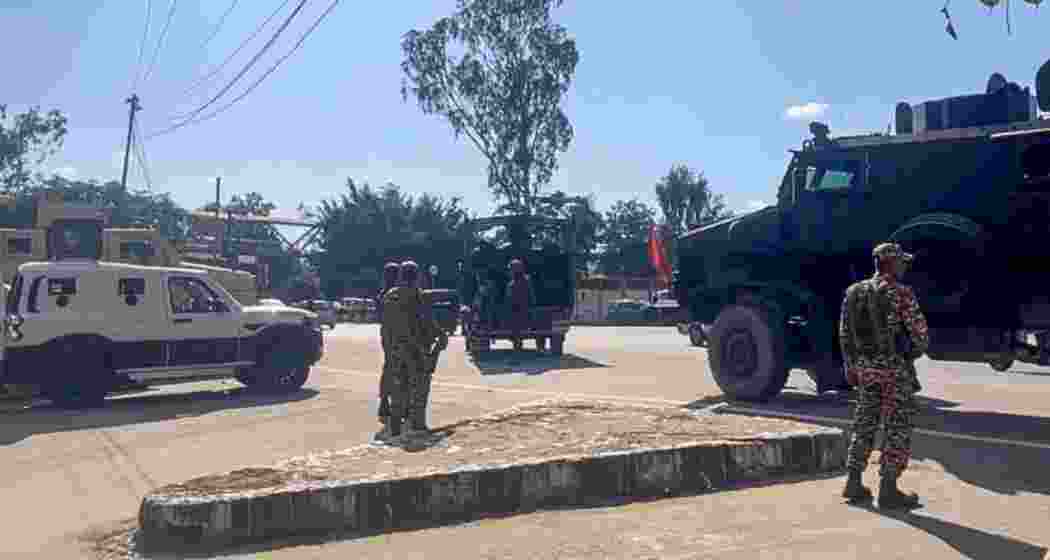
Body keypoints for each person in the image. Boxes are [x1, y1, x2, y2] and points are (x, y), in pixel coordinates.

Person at [839, 242, 929, 509]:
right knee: (897, 426)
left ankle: (853, 482)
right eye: (901, 262)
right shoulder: (901, 293)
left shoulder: (853, 292)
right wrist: (913, 350)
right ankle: (889, 490)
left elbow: (844, 334)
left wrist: (851, 366)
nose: (904, 266)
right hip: (894, 369)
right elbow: (921, 335)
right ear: (890, 263)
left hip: (864, 368)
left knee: (864, 422)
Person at [375, 261, 400, 432]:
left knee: (389, 366)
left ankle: (384, 402)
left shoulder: (382, 294)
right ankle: (397, 404)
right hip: (397, 332)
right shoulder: (395, 293)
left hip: (386, 332)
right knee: (399, 366)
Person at [506, 258, 533, 351]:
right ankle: (517, 342)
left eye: (511, 269)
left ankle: (517, 342)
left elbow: (510, 298)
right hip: (522, 310)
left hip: (519, 310)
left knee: (515, 325)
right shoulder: (526, 280)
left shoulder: (514, 284)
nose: (510, 272)